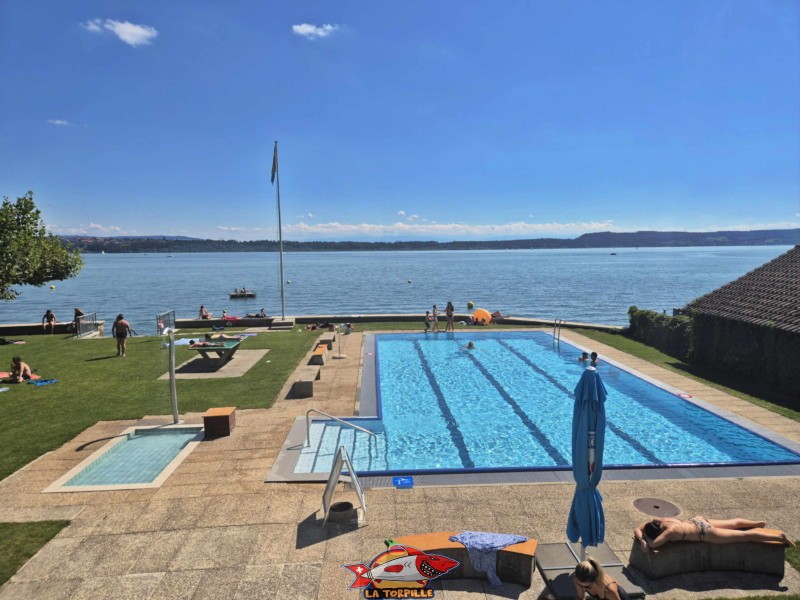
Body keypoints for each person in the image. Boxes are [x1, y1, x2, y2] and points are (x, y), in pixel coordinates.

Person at [634, 517, 795, 552]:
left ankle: (778, 537)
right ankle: (756, 523)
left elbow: (653, 545)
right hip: (697, 520)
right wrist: (642, 533)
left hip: (705, 533)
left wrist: (644, 540)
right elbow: (639, 527)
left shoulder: (669, 533)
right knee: (733, 523)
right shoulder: (663, 521)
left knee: (745, 537)